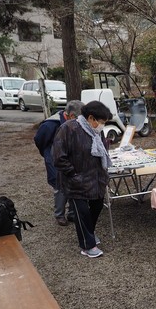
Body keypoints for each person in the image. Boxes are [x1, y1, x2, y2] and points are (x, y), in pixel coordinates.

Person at [52, 101, 112, 258]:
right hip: (75, 181)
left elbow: (103, 150)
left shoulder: (97, 131)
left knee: (97, 206)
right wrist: (73, 174)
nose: (102, 126)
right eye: (101, 122)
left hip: (96, 178)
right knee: (82, 212)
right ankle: (87, 245)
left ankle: (88, 233)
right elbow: (58, 157)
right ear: (91, 118)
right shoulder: (69, 128)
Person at [34, 100, 84, 226]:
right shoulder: (50, 124)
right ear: (72, 115)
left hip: (71, 156)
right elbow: (39, 140)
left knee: (74, 182)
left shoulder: (74, 122)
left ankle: (72, 213)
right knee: (59, 186)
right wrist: (48, 155)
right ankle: (59, 215)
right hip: (54, 158)